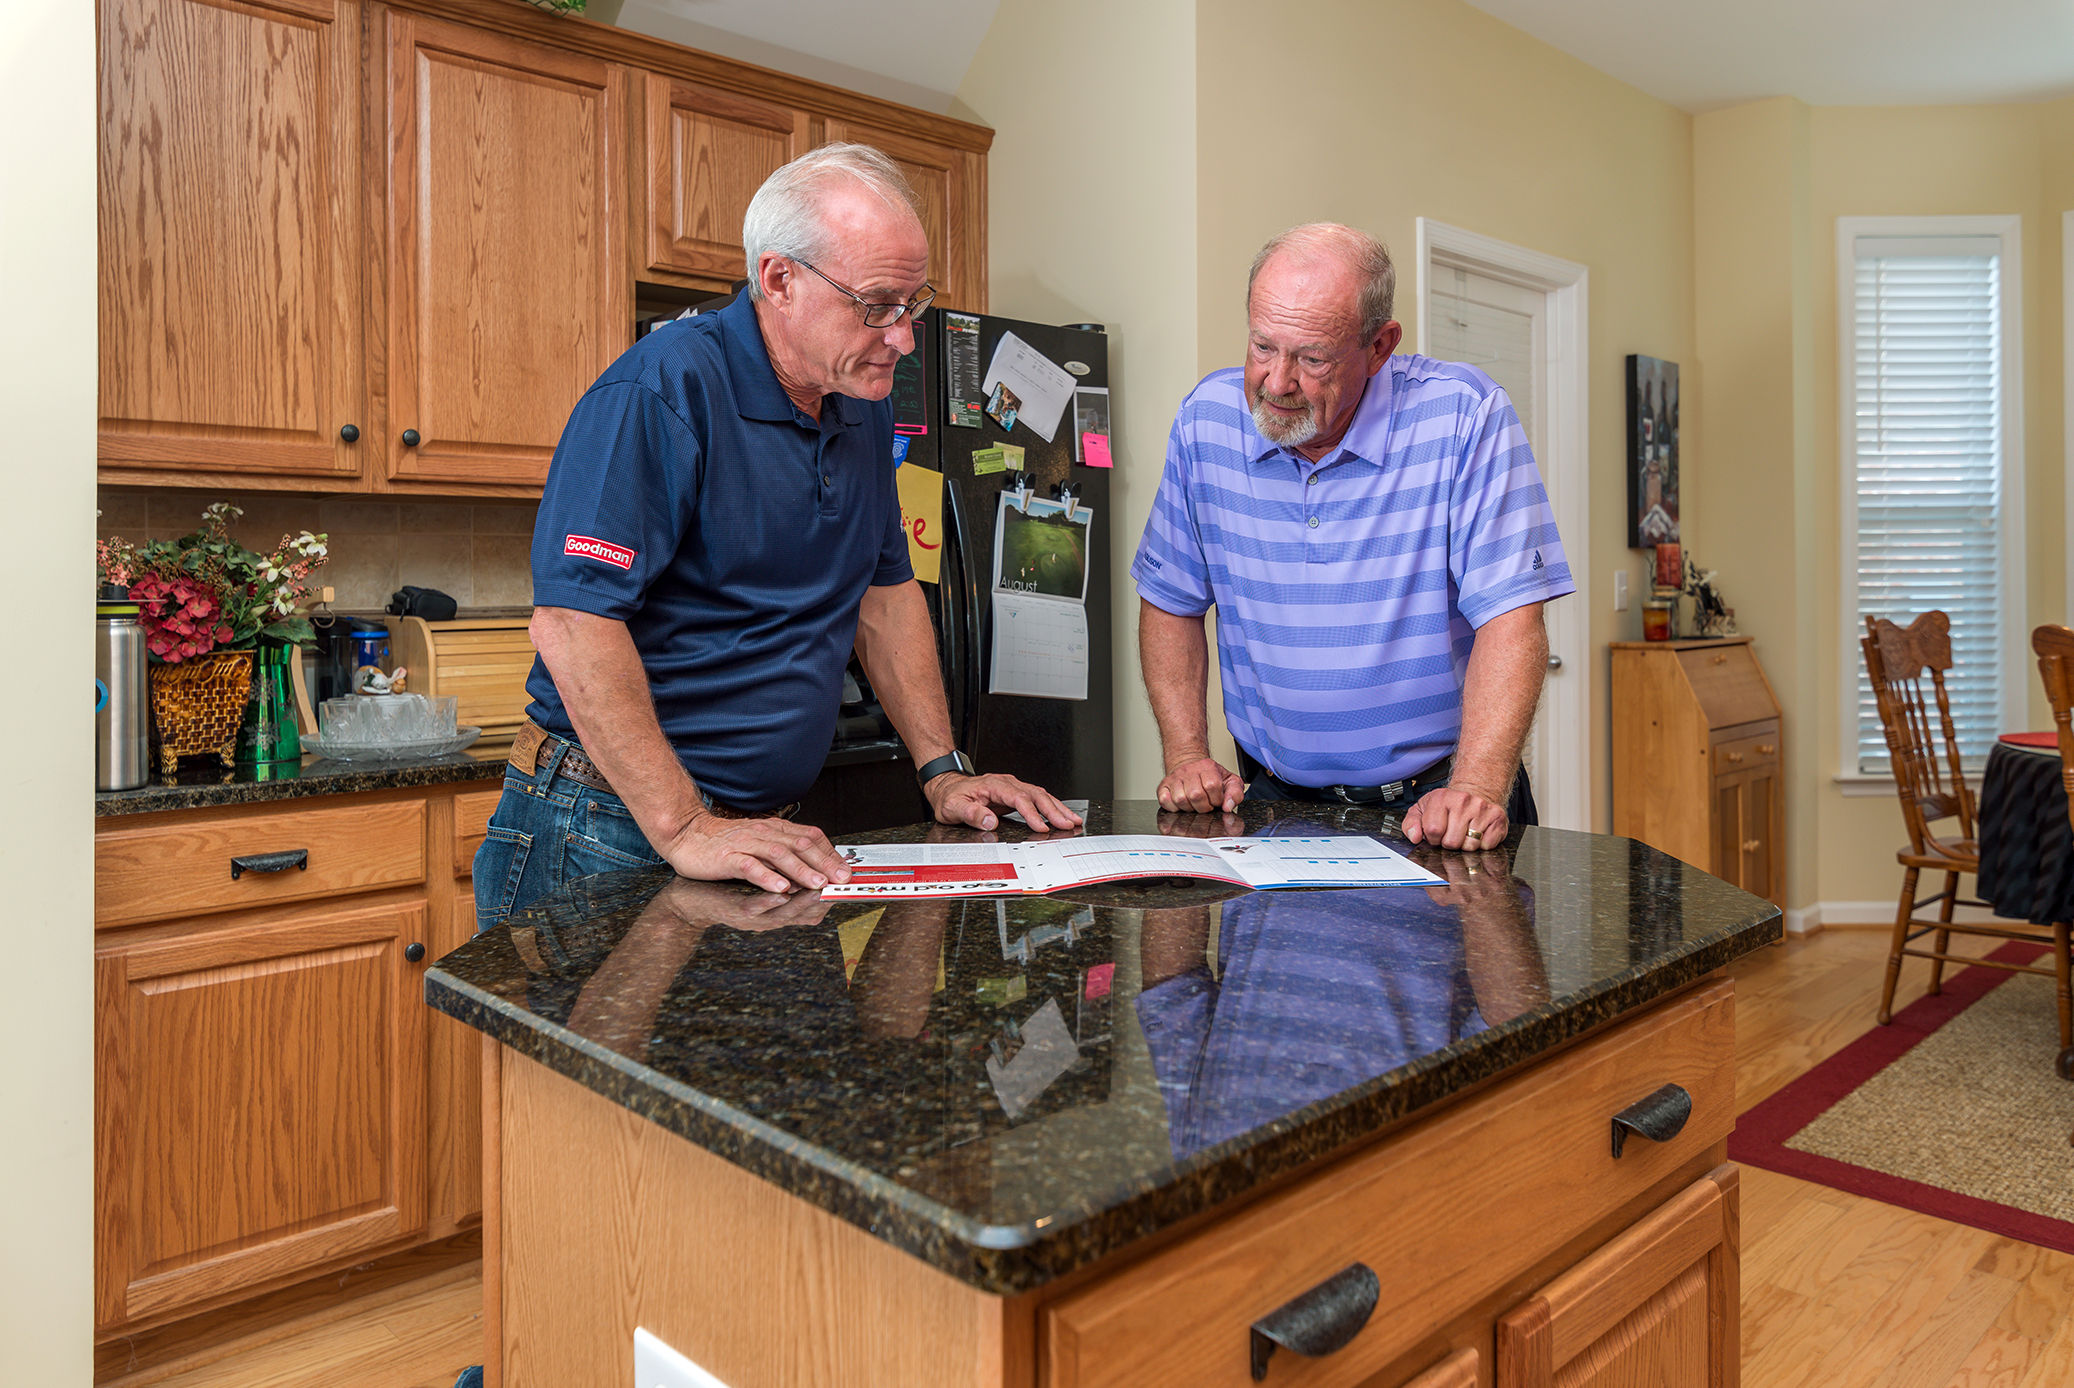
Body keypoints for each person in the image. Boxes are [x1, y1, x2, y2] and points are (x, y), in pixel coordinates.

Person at [475, 144, 1080, 932]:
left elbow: (885, 594)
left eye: (913, 304)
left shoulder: (858, 402)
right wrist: (683, 825)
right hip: (608, 824)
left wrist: (940, 770)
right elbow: (573, 623)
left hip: (763, 833)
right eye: (876, 304)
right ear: (779, 279)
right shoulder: (661, 390)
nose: (903, 338)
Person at [1130, 223, 1574, 849]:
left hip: (1436, 808)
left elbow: (1512, 620)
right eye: (1262, 347)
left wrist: (1475, 785)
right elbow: (1170, 599)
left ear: (1380, 345)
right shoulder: (1206, 423)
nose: (1277, 382)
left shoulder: (1463, 416)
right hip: (1269, 806)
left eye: (1312, 358)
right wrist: (1185, 754)